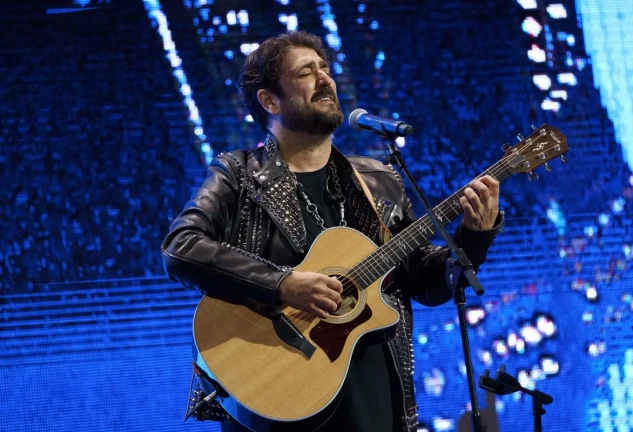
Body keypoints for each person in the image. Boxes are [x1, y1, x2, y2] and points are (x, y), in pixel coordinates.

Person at [162, 30, 504, 432]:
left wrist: (474, 235)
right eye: (307, 72)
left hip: (376, 400)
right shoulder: (238, 175)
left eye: (326, 69)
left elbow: (423, 282)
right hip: (279, 391)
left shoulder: (378, 179)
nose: (325, 79)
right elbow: (181, 247)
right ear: (270, 101)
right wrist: (282, 284)